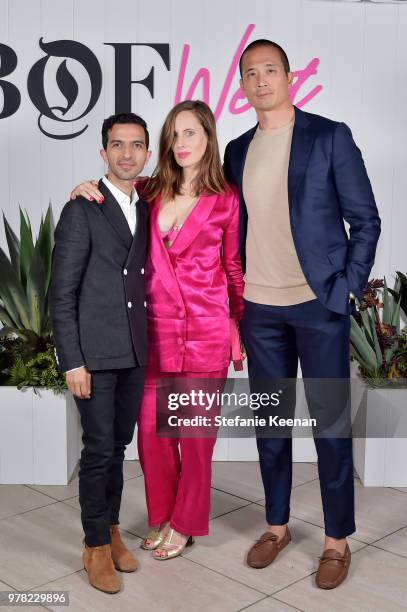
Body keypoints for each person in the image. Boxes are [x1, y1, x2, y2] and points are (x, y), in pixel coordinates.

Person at [223, 39, 381, 589]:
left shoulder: (329, 136)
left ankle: (337, 539)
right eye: (251, 73)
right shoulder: (238, 151)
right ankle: (276, 525)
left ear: (289, 76)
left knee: (330, 426)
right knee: (270, 425)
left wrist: (346, 291)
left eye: (270, 70)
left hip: (319, 307)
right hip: (260, 310)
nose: (261, 80)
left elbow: (366, 220)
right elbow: (219, 222)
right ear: (242, 86)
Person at [70, 100, 245, 560]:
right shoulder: (148, 191)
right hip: (152, 332)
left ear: (208, 137)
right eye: (175, 134)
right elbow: (111, 197)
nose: (182, 143)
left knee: (194, 436)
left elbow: (233, 268)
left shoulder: (226, 197)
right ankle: (164, 514)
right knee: (151, 434)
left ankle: (185, 524)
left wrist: (237, 326)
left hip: (206, 331)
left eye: (191, 133)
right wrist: (84, 187)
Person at [50, 113, 151, 593]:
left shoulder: (150, 204)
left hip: (135, 351)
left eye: (136, 146)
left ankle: (112, 531)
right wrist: (72, 360)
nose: (127, 154)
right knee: (96, 452)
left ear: (147, 154)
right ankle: (93, 546)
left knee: (118, 447)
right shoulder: (82, 208)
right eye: (117, 145)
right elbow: (61, 293)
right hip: (93, 354)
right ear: (103, 153)